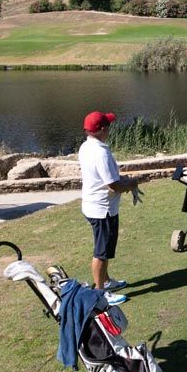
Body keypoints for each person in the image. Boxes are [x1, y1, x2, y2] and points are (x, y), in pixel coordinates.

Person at [79, 110, 140, 306]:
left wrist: (126, 180)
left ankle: (105, 281)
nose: (110, 128)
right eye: (108, 125)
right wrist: (130, 184)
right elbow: (112, 185)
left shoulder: (86, 147)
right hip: (102, 210)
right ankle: (100, 293)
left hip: (93, 206)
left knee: (104, 249)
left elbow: (109, 179)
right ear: (103, 129)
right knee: (101, 252)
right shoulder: (101, 153)